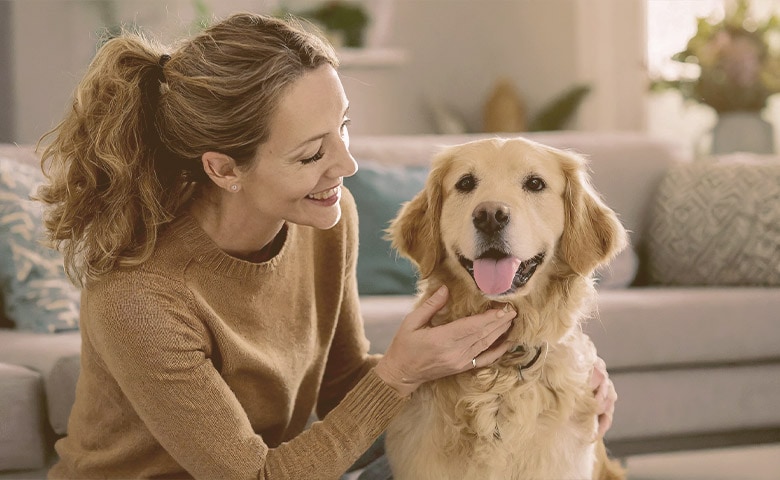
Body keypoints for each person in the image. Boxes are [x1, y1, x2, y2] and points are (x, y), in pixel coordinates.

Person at [37, 13, 616, 480]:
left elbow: (343, 384)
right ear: (223, 168)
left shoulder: (326, 220)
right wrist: (399, 375)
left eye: (343, 126)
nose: (347, 165)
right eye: (312, 153)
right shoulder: (139, 297)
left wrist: (551, 372)